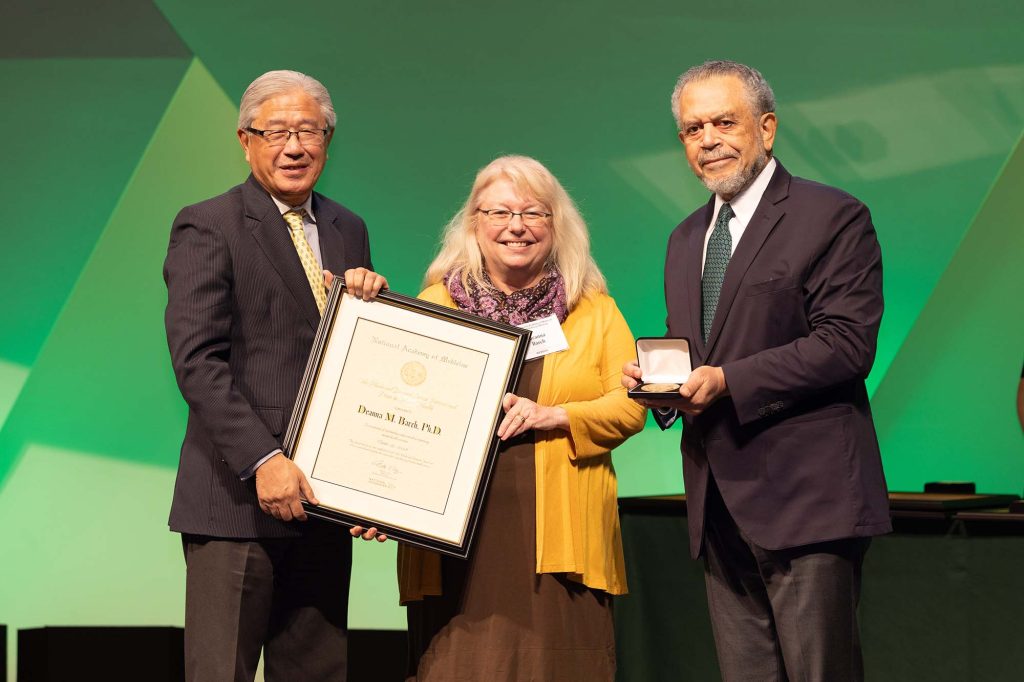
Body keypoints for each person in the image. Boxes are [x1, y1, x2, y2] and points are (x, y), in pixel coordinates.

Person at [622, 60, 891, 681]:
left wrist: (729, 380)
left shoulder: (831, 215)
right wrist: (658, 387)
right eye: (692, 129)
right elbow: (698, 349)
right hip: (718, 503)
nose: (708, 139)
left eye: (724, 121)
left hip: (808, 500)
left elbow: (847, 343)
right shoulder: (686, 238)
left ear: (766, 129)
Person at [163, 69, 387, 682]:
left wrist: (372, 486)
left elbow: (354, 369)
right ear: (245, 139)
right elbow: (197, 361)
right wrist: (263, 459)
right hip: (235, 503)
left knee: (318, 673)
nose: (294, 146)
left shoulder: (349, 229)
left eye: (308, 131)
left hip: (322, 504)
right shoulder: (208, 224)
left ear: (328, 141)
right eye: (276, 131)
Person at [398, 155, 646, 681]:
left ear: (558, 226)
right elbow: (400, 413)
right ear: (474, 224)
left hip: (562, 542)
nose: (516, 226)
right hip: (455, 543)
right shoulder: (435, 304)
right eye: (500, 212)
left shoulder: (594, 310)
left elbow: (630, 405)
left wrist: (555, 415)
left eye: (534, 213)